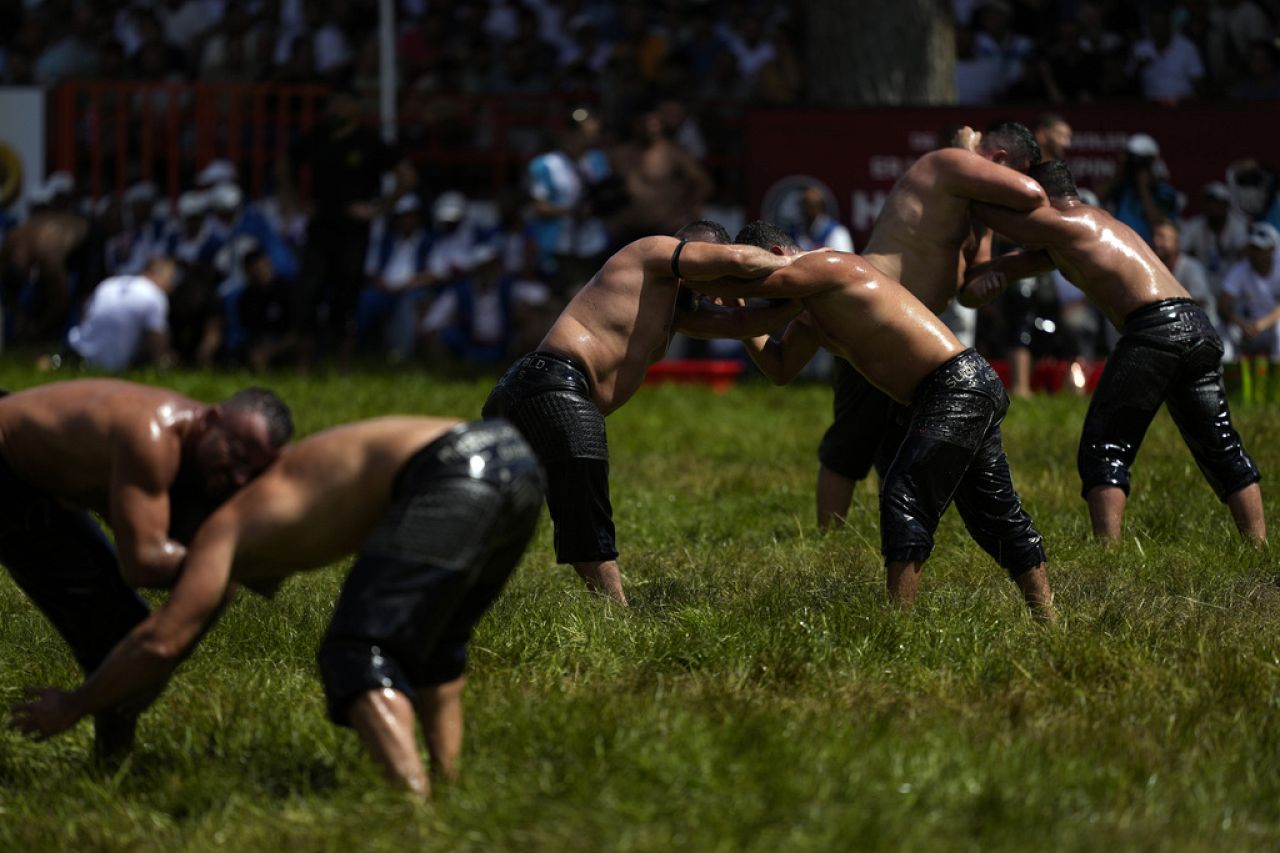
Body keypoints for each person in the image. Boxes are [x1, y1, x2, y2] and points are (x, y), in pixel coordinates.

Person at [10, 416, 542, 798]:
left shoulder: (223, 529)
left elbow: (159, 639)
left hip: (448, 469)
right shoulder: (280, 492)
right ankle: (448, 791)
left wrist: (74, 705)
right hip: (514, 457)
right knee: (437, 644)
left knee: (357, 651)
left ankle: (410, 806)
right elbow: (172, 646)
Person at [718, 221, 1053, 618]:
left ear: (775, 257)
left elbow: (761, 287)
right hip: (950, 392)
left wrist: (695, 274)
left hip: (957, 384)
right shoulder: (810, 312)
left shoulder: (829, 264)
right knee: (994, 512)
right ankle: (1049, 619)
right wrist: (731, 308)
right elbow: (779, 368)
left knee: (904, 490)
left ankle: (898, 624)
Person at [482, 220, 802, 605]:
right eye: (702, 260)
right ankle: (615, 617)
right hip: (555, 385)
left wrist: (809, 296)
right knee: (585, 511)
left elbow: (744, 324)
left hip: (533, 389)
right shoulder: (651, 252)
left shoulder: (674, 312)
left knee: (492, 510)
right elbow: (735, 257)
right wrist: (801, 265)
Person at [961, 161, 1264, 545]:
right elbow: (991, 275)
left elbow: (1000, 220)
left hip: (1157, 328)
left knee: (1104, 446)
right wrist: (981, 281)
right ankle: (1259, 546)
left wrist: (964, 176)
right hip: (1196, 327)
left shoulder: (1074, 221)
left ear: (1040, 201)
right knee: (1220, 443)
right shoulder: (1071, 236)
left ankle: (1109, 554)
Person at [0, 380, 292, 758]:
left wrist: (159, 670)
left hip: (32, 478)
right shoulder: (153, 437)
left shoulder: (199, 457)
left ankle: (111, 764)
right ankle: (112, 766)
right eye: (235, 453)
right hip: (7, 466)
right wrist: (226, 562)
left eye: (249, 470)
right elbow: (143, 562)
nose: (237, 476)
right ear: (212, 418)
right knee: (119, 633)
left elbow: (212, 591)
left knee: (127, 636)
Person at [816, 121, 1046, 531]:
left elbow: (970, 291)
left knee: (908, 436)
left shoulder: (980, 216)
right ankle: (826, 538)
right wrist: (962, 148)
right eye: (1018, 173)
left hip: (920, 330)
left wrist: (990, 284)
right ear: (1000, 161)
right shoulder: (945, 163)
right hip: (873, 316)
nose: (1018, 184)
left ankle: (899, 529)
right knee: (854, 435)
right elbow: (1033, 194)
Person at [67, 256, 178, 371]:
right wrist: (166, 360)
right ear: (154, 273)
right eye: (170, 278)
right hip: (106, 367)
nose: (171, 286)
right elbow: (157, 342)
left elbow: (85, 315)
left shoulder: (109, 283)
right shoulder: (155, 295)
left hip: (74, 353)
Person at [1219, 222, 1280, 358]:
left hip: (1271, 327)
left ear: (1272, 249)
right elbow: (1222, 305)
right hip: (1246, 329)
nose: (1255, 253)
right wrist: (1241, 324)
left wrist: (1263, 324)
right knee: (1223, 330)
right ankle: (1227, 376)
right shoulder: (1240, 269)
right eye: (1253, 247)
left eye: (1260, 249)